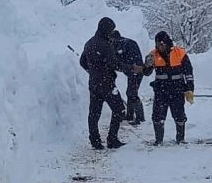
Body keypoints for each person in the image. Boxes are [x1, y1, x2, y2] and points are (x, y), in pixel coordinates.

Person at [79, 17, 134, 150]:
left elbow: (82, 61)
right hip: (107, 83)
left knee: (94, 113)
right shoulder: (105, 45)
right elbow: (114, 64)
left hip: (94, 83)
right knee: (119, 110)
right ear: (106, 29)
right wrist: (129, 68)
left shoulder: (89, 43)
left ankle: (95, 141)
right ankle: (112, 139)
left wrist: (92, 71)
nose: (112, 32)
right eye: (111, 30)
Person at [141, 31, 194, 145]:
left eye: (161, 44)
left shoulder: (180, 53)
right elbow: (146, 73)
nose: (159, 47)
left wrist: (190, 89)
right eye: (157, 44)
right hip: (161, 90)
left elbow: (188, 72)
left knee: (179, 115)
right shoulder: (153, 55)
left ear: (166, 43)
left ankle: (180, 139)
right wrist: (147, 66)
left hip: (177, 89)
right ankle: (158, 140)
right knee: (158, 115)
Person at [110, 30, 146, 125]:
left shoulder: (121, 44)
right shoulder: (126, 42)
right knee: (130, 92)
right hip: (135, 70)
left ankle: (139, 117)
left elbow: (118, 59)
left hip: (135, 70)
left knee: (132, 93)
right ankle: (130, 116)